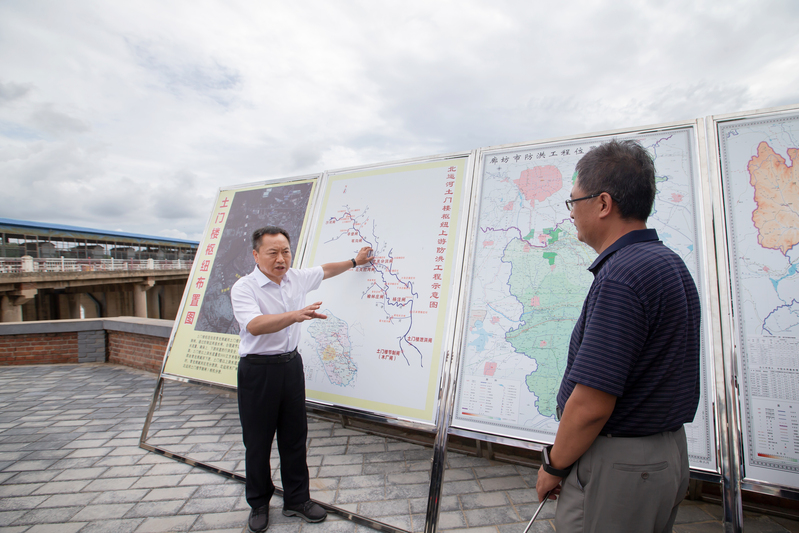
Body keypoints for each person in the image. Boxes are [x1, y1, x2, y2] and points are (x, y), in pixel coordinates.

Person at [535, 140, 701, 532]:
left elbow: (591, 403)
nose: (572, 213)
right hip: (664, 453)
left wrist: (553, 465)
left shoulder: (622, 277)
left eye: (574, 201)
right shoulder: (667, 262)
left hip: (622, 464)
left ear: (603, 203)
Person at [231, 225, 372, 533]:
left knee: (294, 437)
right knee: (257, 441)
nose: (281, 259)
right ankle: (258, 503)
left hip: (290, 367)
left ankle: (297, 499)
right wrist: (294, 316)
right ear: (256, 255)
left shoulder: (295, 277)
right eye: (273, 253)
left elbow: (324, 270)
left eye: (285, 251)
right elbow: (254, 325)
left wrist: (354, 262)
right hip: (258, 370)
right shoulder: (244, 288)